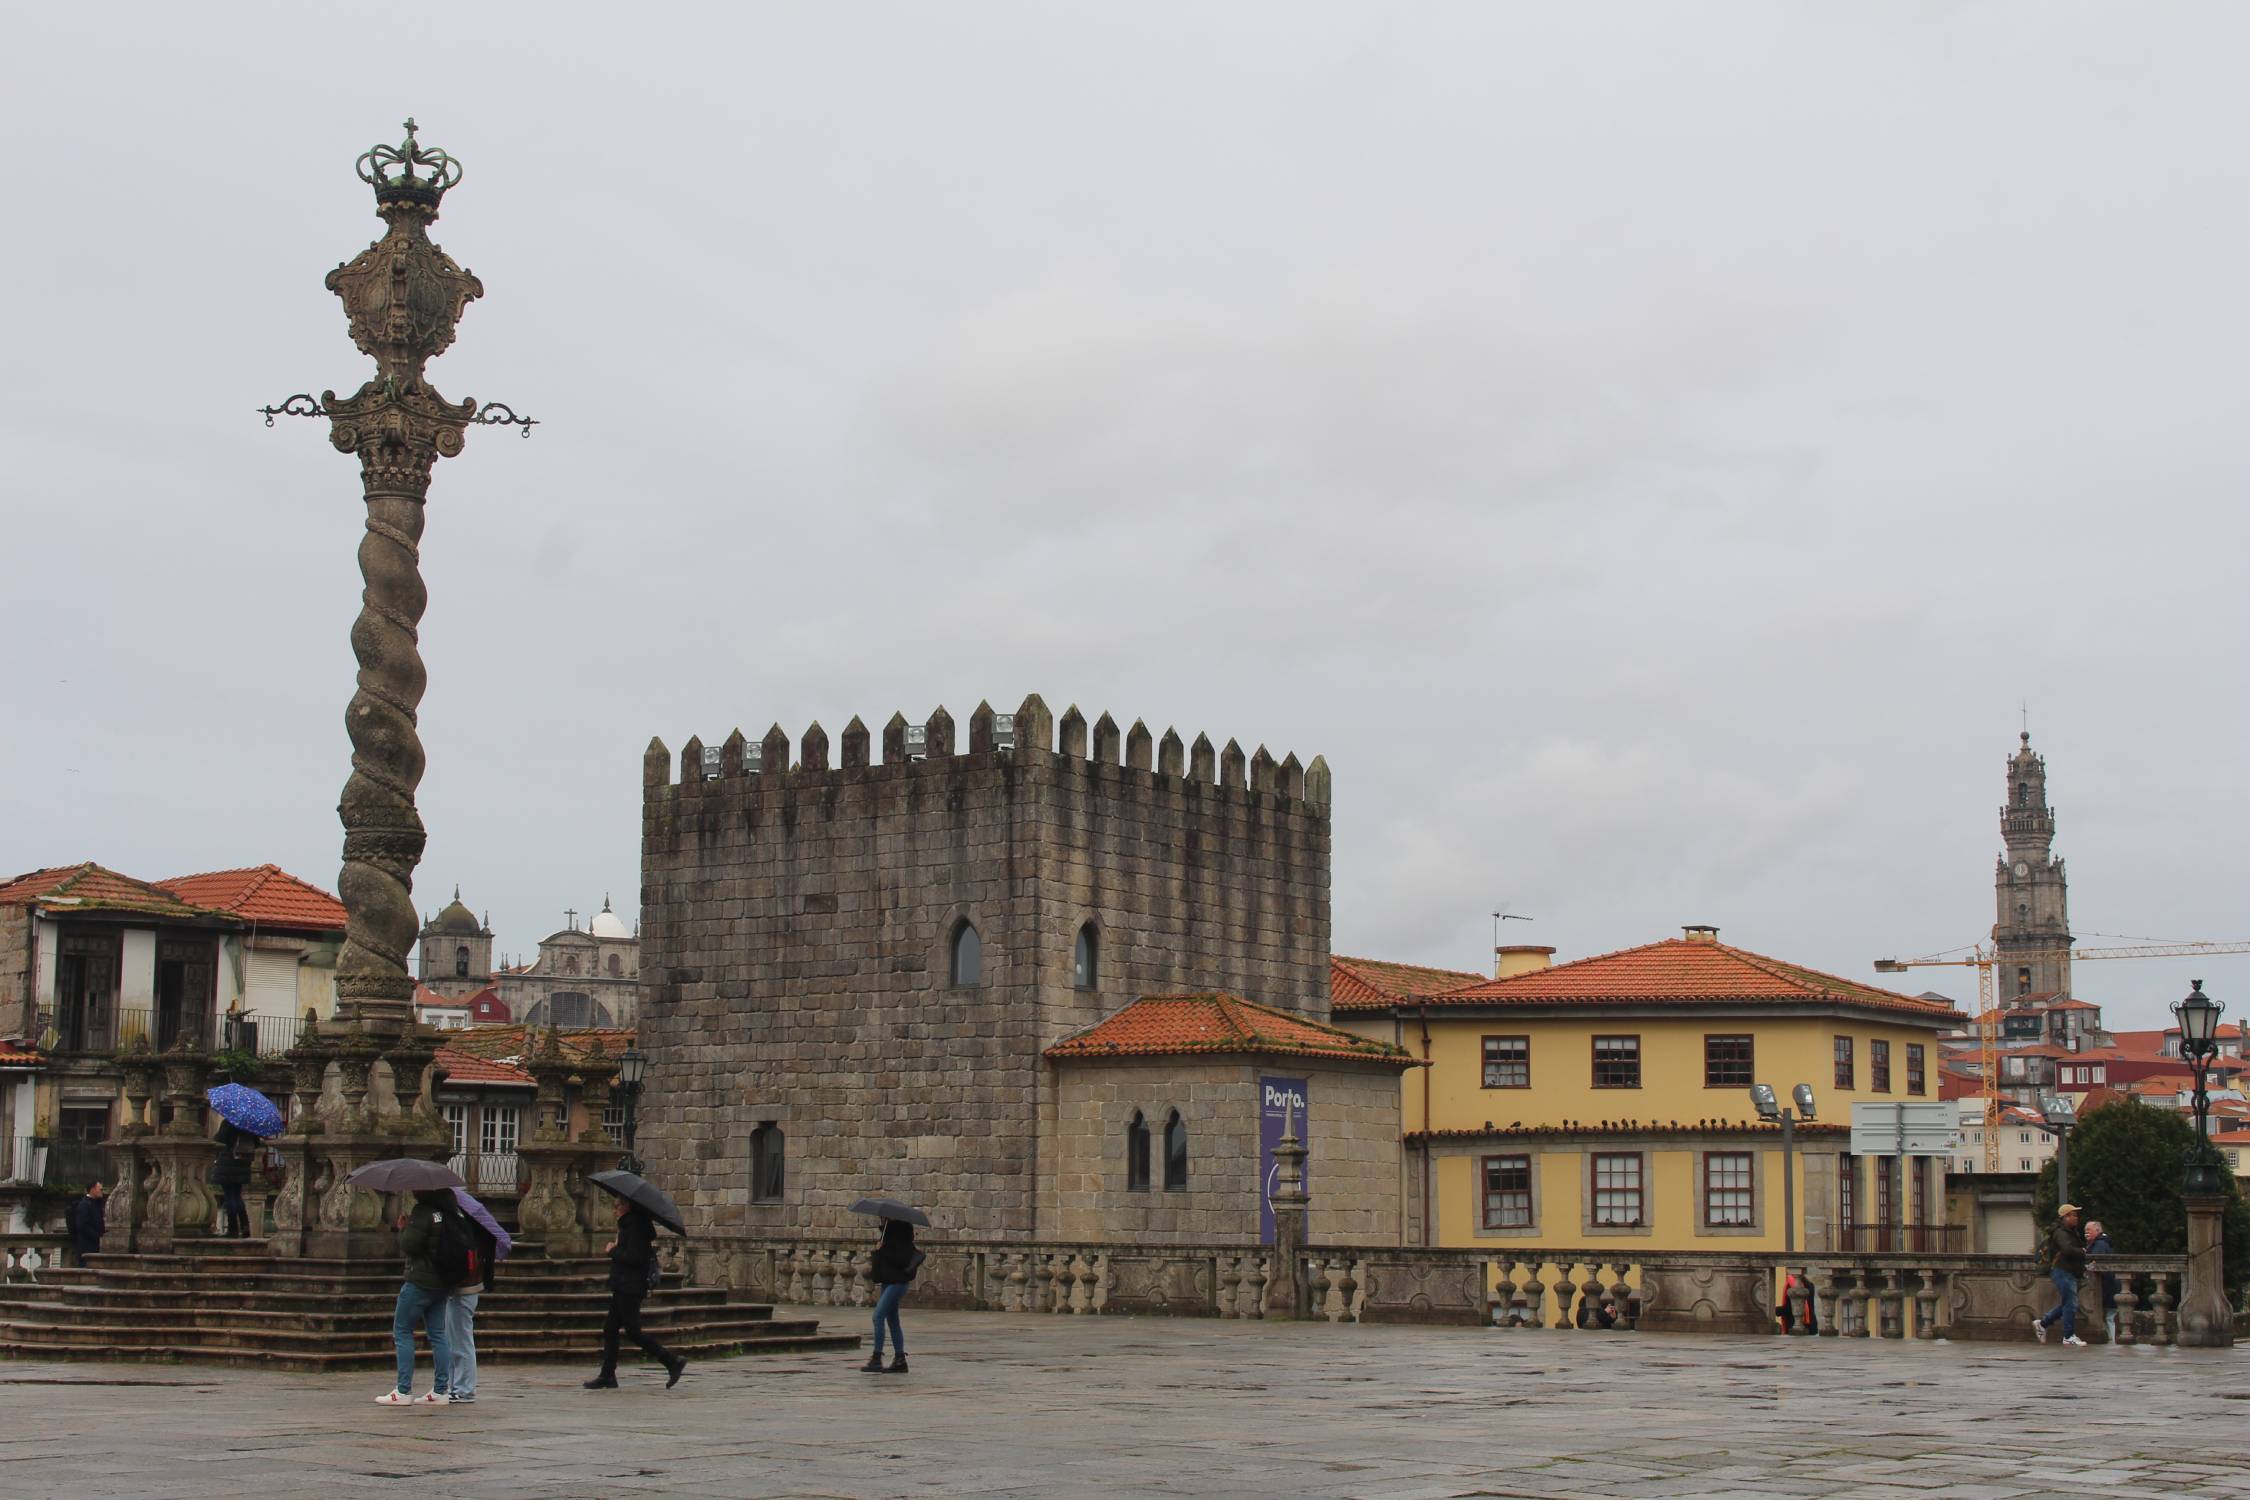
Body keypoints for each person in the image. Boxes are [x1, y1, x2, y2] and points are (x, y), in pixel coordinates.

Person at [585, 1197, 684, 1390]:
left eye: (617, 1206)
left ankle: (672, 1361)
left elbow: (635, 1258)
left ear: (627, 1207)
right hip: (624, 1285)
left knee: (633, 1332)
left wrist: (613, 1250)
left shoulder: (635, 1227)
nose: (614, 1211)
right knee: (610, 1329)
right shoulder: (629, 1226)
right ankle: (607, 1375)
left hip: (630, 1287)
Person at [376, 1189, 456, 1405]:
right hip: (442, 1282)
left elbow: (410, 1245)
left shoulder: (423, 1212)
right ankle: (441, 1389)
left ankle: (403, 1390)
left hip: (419, 1281)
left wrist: (403, 1228)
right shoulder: (449, 1212)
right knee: (438, 1334)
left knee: (402, 1330)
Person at [444, 1186, 513, 1405]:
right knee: (454, 1337)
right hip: (463, 1286)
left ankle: (464, 1388)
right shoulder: (464, 1223)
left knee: (461, 1338)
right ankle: (456, 1385)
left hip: (466, 1287)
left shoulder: (467, 1227)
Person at [862, 1217, 919, 1373]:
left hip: (898, 1282)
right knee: (892, 1320)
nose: (880, 1218)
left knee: (878, 1316)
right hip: (889, 1281)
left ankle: (876, 1358)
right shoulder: (887, 1233)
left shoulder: (902, 1234)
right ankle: (900, 1359)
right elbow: (881, 1264)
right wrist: (878, 1251)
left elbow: (901, 1260)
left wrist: (883, 1250)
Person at [2033, 1202, 2088, 1347]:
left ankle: (2043, 1323)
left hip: (2067, 1270)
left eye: (2076, 1215)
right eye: (2073, 1215)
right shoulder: (2061, 1233)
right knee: (2071, 1303)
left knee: (2068, 1303)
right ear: (2065, 1217)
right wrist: (2082, 1252)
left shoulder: (2069, 1231)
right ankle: (2068, 1336)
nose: (2076, 1218)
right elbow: (2067, 1249)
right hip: (2062, 1270)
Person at [212, 1121, 256, 1239]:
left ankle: (233, 1229)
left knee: (230, 1196)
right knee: (237, 1195)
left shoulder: (229, 1122)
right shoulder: (249, 1124)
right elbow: (255, 1143)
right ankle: (245, 1226)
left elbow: (219, 1140)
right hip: (243, 1163)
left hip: (228, 1162)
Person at [2084, 1219, 2120, 1344]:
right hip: (2111, 1285)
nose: (2086, 1232)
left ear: (2098, 1230)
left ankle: (2112, 1341)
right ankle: (2111, 1340)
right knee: (2109, 1315)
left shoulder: (2099, 1245)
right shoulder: (2102, 1243)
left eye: (2089, 1230)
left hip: (2108, 1286)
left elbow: (2095, 1263)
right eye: (2085, 1230)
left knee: (2109, 1316)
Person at [65, 1181, 106, 1265]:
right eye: (100, 1189)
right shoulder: (84, 1204)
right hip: (86, 1247)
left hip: (93, 1246)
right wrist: (97, 1236)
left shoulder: (96, 1203)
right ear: (92, 1190)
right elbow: (82, 1225)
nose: (102, 1191)